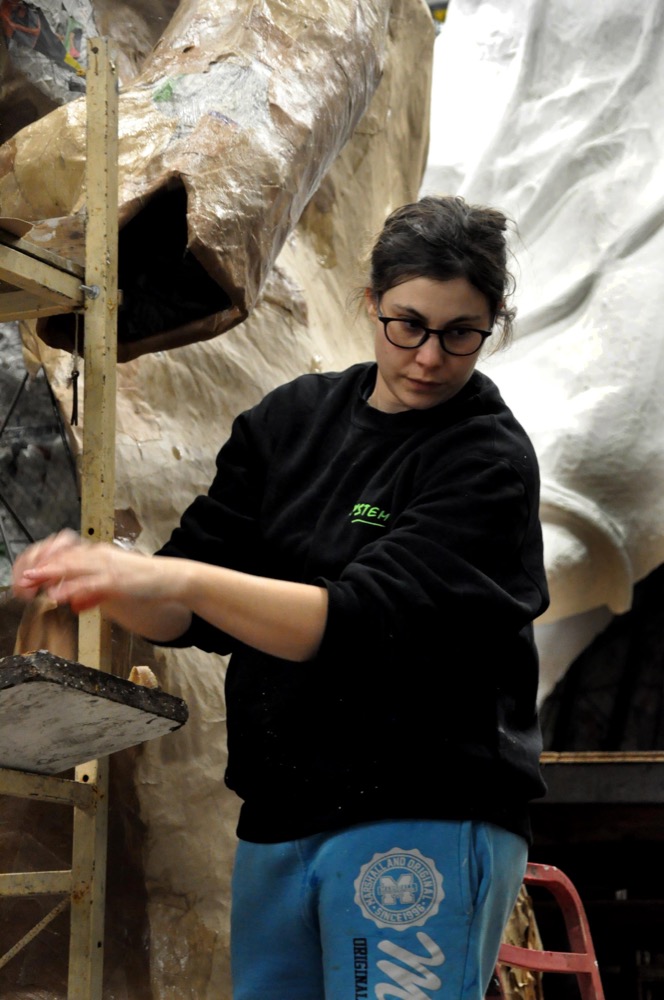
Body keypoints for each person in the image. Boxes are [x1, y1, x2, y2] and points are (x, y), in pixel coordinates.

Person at [13, 195, 549, 1000]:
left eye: (461, 334)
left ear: (491, 326)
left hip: (420, 813)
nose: (430, 356)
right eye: (408, 324)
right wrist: (103, 579)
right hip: (281, 815)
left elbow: (351, 621)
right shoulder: (291, 423)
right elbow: (184, 613)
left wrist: (174, 578)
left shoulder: (485, 460)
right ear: (371, 302)